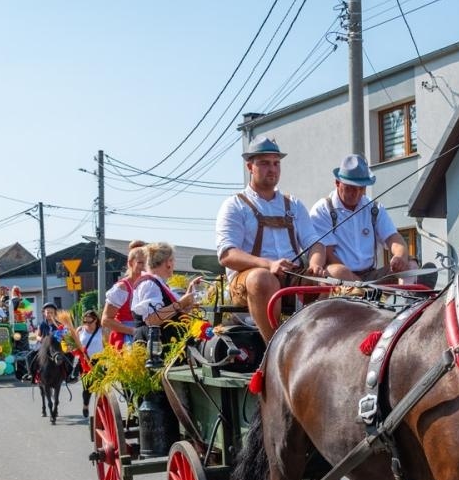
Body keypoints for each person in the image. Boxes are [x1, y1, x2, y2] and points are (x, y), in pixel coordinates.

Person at [215, 136, 324, 340]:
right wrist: (268, 264)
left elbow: (315, 243)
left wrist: (316, 263)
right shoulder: (234, 205)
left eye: (276, 163)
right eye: (264, 163)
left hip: (290, 276)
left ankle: (311, 346)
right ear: (250, 166)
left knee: (325, 281)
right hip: (248, 281)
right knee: (263, 279)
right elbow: (227, 254)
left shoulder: (294, 205)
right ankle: (273, 350)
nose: (272, 169)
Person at [309, 153, 415, 283]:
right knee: (338, 271)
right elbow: (328, 255)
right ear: (337, 183)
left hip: (371, 276)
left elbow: (394, 238)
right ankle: (365, 293)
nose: (357, 194)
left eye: (362, 189)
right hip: (339, 277)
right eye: (350, 188)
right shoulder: (323, 209)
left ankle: (410, 299)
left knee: (411, 264)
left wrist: (400, 257)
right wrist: (356, 281)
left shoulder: (374, 209)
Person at [132, 242, 204, 339]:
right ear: (168, 263)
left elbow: (170, 313)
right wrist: (181, 303)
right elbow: (151, 320)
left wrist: (188, 297)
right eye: (173, 260)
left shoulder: (157, 283)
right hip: (154, 346)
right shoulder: (149, 284)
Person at [100, 241, 149, 349]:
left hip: (148, 334)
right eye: (140, 262)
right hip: (127, 338)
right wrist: (133, 331)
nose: (144, 267)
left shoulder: (150, 285)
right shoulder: (122, 288)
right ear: (131, 263)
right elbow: (106, 320)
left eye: (147, 263)